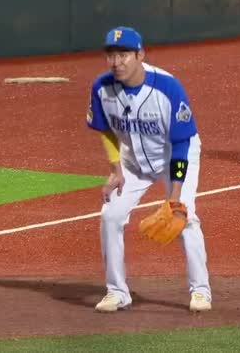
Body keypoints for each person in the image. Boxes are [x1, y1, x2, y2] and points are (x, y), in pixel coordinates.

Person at [87, 26, 212, 313]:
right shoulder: (101, 88)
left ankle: (200, 291)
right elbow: (105, 128)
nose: (116, 62)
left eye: (124, 55)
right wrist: (116, 169)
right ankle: (117, 292)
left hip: (174, 157)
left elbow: (181, 143)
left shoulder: (167, 88)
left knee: (185, 217)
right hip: (132, 161)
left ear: (140, 55)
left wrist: (175, 197)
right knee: (110, 216)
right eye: (111, 55)